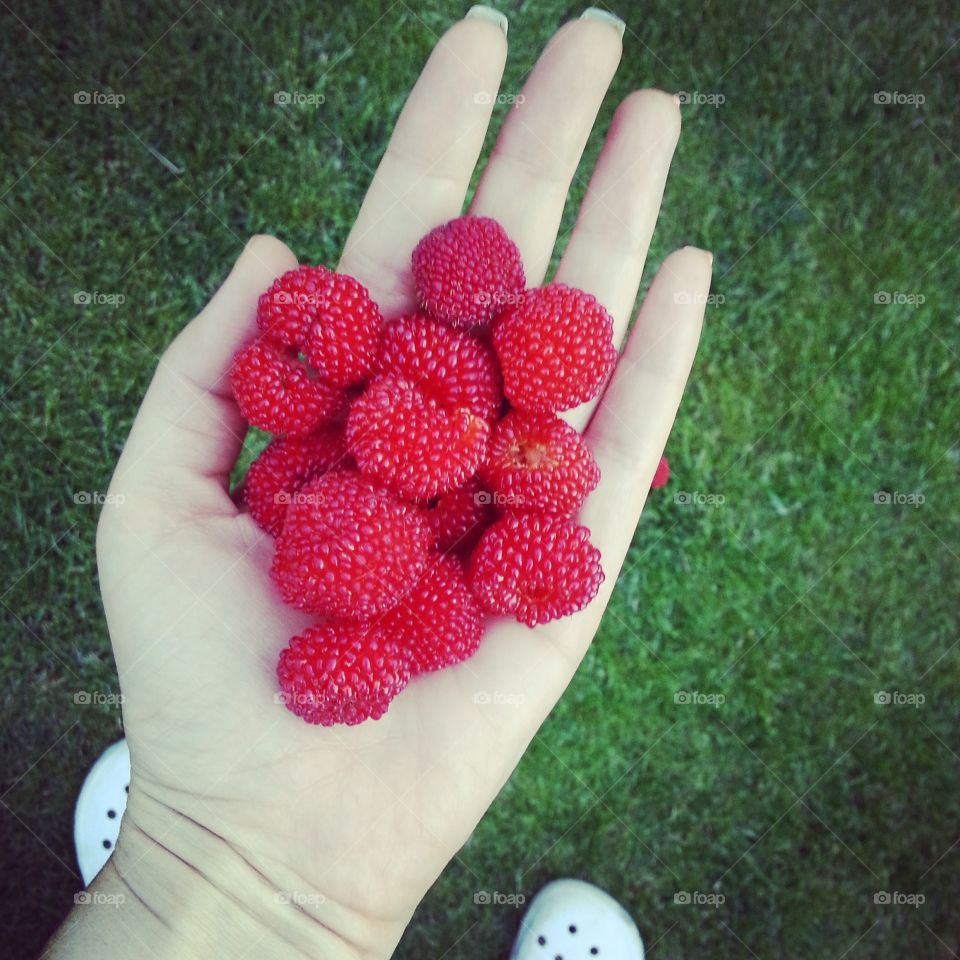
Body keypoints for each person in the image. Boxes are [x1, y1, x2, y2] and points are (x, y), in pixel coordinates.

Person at [44, 6, 711, 958]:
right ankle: (177, 859)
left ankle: (169, 867)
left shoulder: (466, 469)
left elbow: (472, 503)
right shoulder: (384, 463)